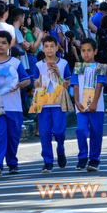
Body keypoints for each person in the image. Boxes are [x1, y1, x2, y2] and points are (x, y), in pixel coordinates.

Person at [0, 31, 30, 177]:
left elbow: (27, 79)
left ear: (9, 45)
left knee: (13, 135)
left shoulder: (15, 63)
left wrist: (19, 85)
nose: (0, 45)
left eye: (4, 43)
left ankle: (12, 162)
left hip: (14, 106)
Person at [34, 36, 72, 172]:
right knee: (44, 133)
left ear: (57, 47)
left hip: (59, 102)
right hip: (44, 102)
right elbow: (35, 81)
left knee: (59, 131)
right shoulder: (39, 65)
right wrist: (36, 83)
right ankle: (48, 161)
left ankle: (60, 149)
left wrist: (66, 83)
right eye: (46, 46)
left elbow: (68, 79)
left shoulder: (63, 63)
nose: (49, 49)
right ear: (43, 48)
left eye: (52, 46)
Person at [72, 38, 107, 172]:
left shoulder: (100, 67)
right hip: (81, 106)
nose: (86, 54)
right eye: (83, 51)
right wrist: (76, 101)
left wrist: (94, 103)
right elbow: (75, 86)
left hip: (96, 107)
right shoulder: (79, 67)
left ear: (95, 51)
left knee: (96, 132)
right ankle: (82, 157)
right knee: (81, 130)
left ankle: (94, 159)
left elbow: (99, 86)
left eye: (89, 51)